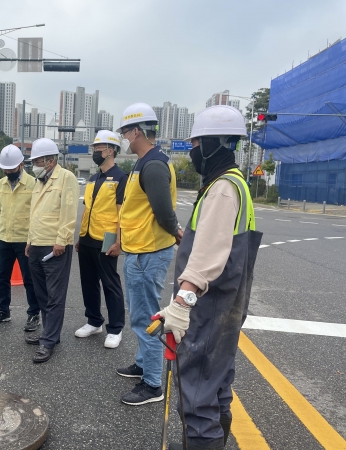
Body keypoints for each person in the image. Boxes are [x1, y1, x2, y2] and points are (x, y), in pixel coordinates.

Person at [158, 106, 262, 450]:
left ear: (214, 144)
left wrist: (182, 302)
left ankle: (202, 444)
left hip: (209, 306)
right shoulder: (237, 183)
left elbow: (208, 252)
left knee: (198, 391)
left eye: (197, 143)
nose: (193, 151)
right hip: (228, 305)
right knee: (216, 384)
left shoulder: (221, 188)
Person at [115, 103, 183, 406]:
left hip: (148, 252)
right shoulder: (143, 162)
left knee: (146, 317)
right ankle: (143, 364)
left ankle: (153, 383)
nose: (124, 138)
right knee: (141, 314)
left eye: (125, 132)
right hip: (139, 249)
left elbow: (163, 212)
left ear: (137, 131)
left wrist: (177, 233)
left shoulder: (153, 165)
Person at [24, 138, 79, 363]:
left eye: (37, 160)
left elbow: (69, 211)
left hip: (54, 245)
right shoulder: (39, 181)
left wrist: (62, 240)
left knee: (55, 296)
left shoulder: (66, 178)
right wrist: (29, 240)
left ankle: (49, 342)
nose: (34, 164)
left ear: (50, 160)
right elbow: (34, 214)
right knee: (42, 294)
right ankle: (50, 334)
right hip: (36, 244)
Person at [74, 130, 127, 349]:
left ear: (111, 150)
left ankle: (115, 328)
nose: (95, 151)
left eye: (99, 148)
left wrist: (119, 242)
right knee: (88, 282)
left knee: (110, 283)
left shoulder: (121, 178)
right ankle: (94, 321)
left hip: (106, 238)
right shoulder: (93, 178)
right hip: (87, 237)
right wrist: (80, 237)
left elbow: (122, 213)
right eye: (95, 148)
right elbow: (88, 210)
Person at [0, 145, 40, 331]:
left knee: (29, 278)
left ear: (22, 165)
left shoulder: (34, 184)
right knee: (2, 277)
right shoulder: (1, 185)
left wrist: (32, 238)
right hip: (5, 237)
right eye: (5, 169)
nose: (8, 172)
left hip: (25, 239)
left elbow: (37, 213)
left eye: (12, 169)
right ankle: (3, 311)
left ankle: (33, 314)